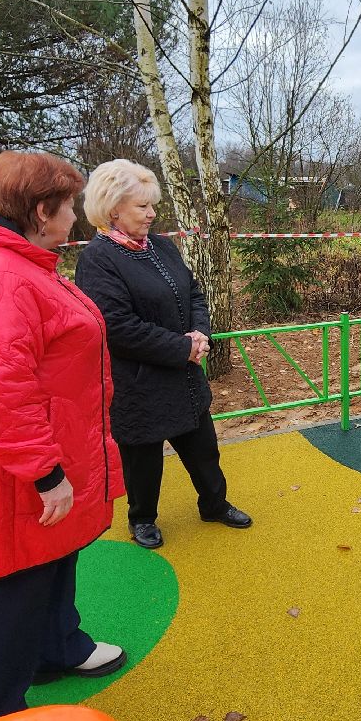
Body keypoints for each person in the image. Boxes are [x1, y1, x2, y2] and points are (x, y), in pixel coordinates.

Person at [0, 151, 127, 721]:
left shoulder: (21, 264)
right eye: (69, 208)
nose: (76, 220)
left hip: (49, 439)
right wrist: (43, 471)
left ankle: (55, 647)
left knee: (52, 552)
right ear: (43, 211)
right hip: (19, 458)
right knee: (23, 577)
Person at [74, 160, 252, 550]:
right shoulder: (98, 259)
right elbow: (116, 327)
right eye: (143, 207)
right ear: (113, 208)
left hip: (184, 377)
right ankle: (142, 518)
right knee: (143, 460)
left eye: (153, 205)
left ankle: (214, 504)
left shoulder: (163, 246)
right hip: (139, 384)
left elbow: (193, 294)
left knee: (204, 450)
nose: (153, 213)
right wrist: (183, 347)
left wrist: (200, 334)